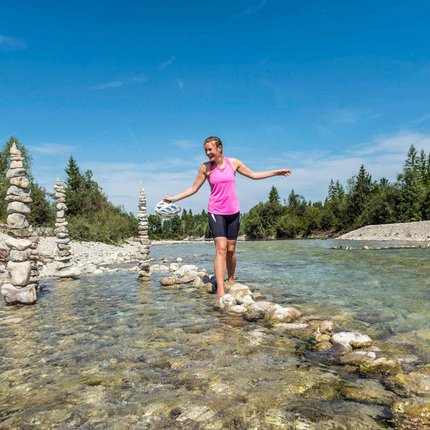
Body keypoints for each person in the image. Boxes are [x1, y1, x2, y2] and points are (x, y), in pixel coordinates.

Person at [163, 136, 292, 298]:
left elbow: (253, 175)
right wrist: (174, 198)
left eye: (210, 149)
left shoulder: (234, 163)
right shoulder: (205, 167)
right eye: (205, 150)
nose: (207, 153)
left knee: (231, 249)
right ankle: (220, 289)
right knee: (221, 249)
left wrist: (276, 173)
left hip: (233, 212)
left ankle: (231, 280)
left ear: (219, 148)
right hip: (216, 211)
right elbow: (193, 188)